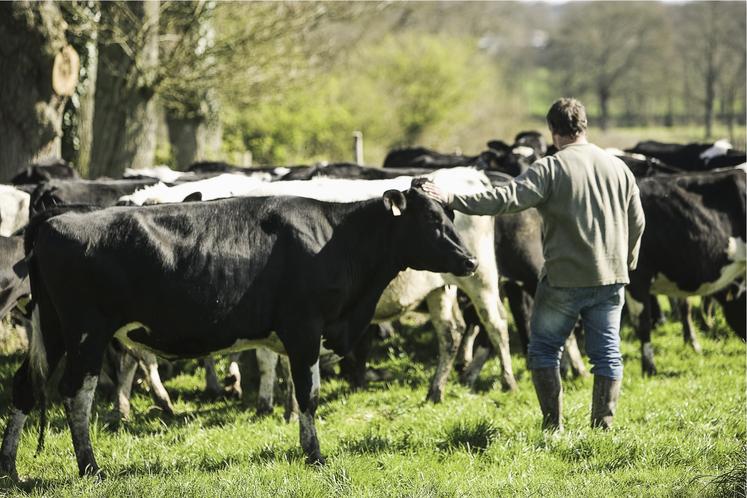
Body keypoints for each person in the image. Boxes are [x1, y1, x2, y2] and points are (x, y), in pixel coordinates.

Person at [421, 98, 645, 431]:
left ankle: (553, 427)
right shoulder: (618, 167)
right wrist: (627, 260)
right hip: (611, 277)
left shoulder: (550, 168)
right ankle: (603, 428)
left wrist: (453, 198)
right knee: (608, 355)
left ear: (553, 132)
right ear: (583, 126)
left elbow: (503, 199)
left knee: (542, 350)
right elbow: (637, 221)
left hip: (563, 281)